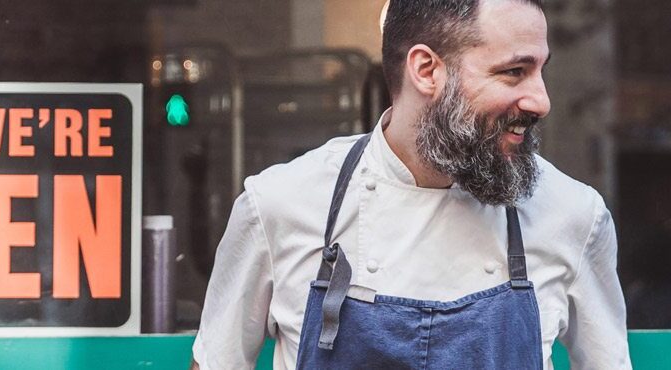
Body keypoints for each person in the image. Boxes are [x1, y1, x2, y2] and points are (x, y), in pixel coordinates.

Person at [191, 0, 632, 368]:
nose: (541, 101)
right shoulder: (279, 205)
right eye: (514, 71)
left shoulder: (574, 215)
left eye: (541, 70)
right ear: (425, 70)